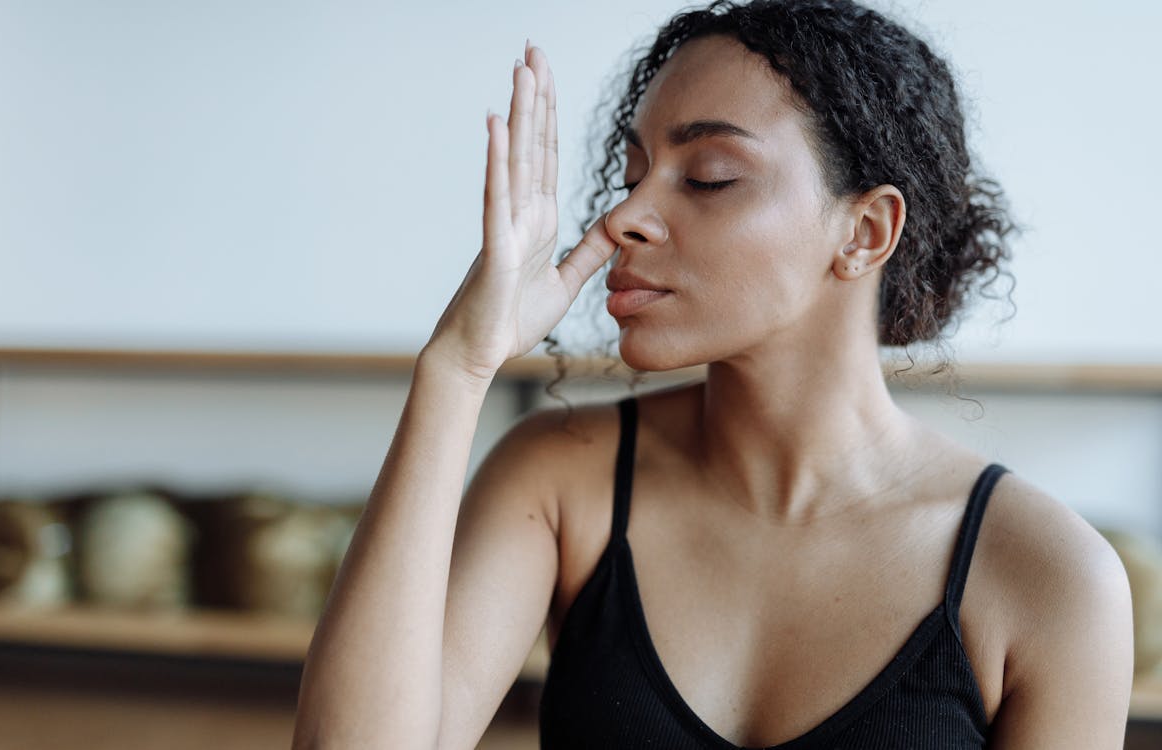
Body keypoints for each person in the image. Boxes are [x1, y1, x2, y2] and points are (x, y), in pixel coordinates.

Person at [291, 1, 1134, 747]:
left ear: (866, 232)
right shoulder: (558, 482)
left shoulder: (1049, 577)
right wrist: (456, 367)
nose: (623, 217)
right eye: (630, 176)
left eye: (709, 177)